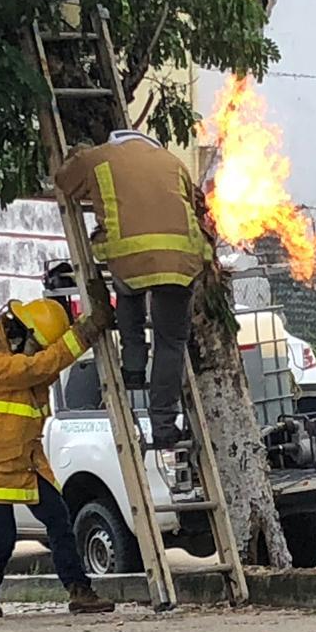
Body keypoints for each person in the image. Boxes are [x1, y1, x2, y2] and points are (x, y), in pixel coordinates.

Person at [0, 293, 115, 619]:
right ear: (24, 335)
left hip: (24, 460)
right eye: (39, 346)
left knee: (59, 521)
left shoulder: (20, 360)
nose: (41, 353)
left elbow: (44, 367)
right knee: (3, 537)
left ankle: (79, 591)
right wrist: (84, 332)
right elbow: (40, 366)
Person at [55, 130, 214, 449]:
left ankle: (133, 367)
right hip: (181, 260)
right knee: (170, 342)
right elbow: (200, 205)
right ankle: (165, 426)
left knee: (128, 291)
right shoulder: (172, 161)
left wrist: (78, 154)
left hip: (130, 258)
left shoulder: (97, 157)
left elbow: (63, 182)